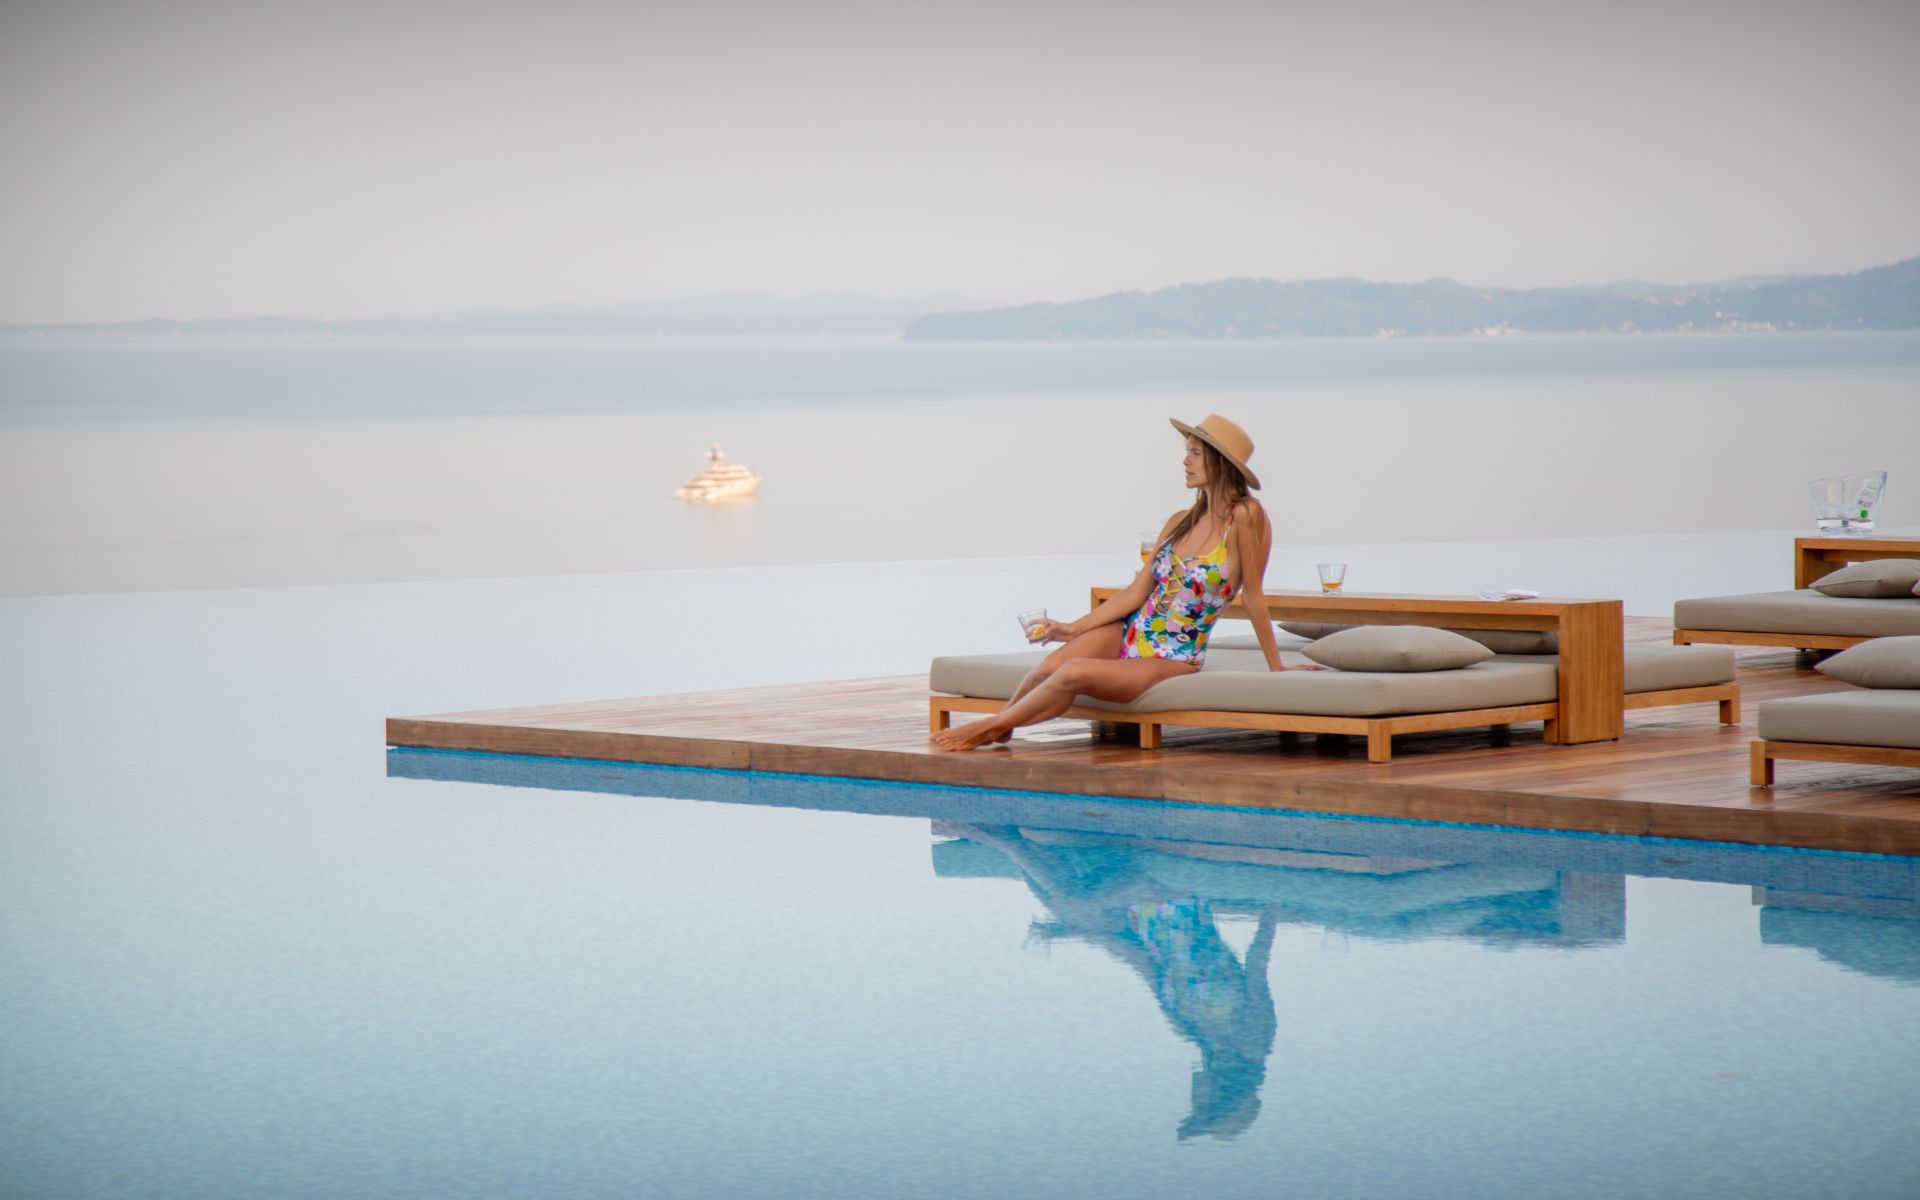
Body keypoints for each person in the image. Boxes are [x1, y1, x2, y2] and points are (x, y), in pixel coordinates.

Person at [931, 413, 1319, 752]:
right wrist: (1071, 628)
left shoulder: (1246, 516)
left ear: (1220, 461)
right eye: (1186, 452)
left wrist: (1276, 667)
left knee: (1072, 673)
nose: (1184, 461)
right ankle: (1002, 727)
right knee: (1049, 667)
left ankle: (987, 727)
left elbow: (1253, 596)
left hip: (1172, 656)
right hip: (1130, 630)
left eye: (1195, 453)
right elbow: (1137, 592)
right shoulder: (1180, 520)